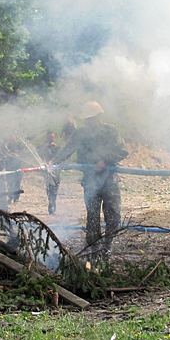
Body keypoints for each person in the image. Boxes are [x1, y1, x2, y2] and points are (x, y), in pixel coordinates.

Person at [51, 101, 128, 251]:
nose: (89, 121)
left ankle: (107, 245)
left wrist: (105, 160)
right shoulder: (80, 134)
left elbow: (123, 150)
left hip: (109, 182)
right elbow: (68, 149)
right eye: (86, 119)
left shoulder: (110, 131)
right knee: (92, 217)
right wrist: (53, 162)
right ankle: (93, 248)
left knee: (113, 215)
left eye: (91, 118)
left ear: (98, 117)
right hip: (91, 181)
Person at [37, 131, 61, 214]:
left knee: (55, 189)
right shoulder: (42, 147)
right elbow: (38, 153)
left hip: (56, 172)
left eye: (52, 137)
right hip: (47, 172)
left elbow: (61, 156)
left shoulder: (57, 148)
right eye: (49, 137)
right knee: (50, 187)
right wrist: (44, 148)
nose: (51, 139)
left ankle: (53, 204)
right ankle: (51, 206)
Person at [4, 135, 25, 203]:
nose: (12, 138)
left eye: (13, 137)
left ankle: (16, 197)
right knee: (10, 182)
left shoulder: (19, 145)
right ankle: (10, 197)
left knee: (17, 182)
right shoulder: (6, 146)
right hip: (9, 167)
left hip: (18, 166)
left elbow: (23, 155)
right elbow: (4, 154)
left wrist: (18, 155)